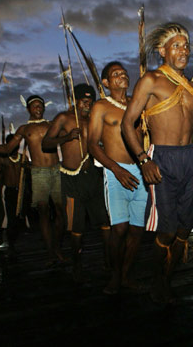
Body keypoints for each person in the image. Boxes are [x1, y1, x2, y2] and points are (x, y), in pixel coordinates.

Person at [121, 22, 193, 305]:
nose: (184, 50)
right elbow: (127, 124)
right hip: (161, 159)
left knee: (183, 229)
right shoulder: (151, 80)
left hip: (188, 159)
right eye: (177, 45)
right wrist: (143, 160)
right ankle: (157, 281)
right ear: (162, 50)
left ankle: (167, 280)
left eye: (186, 45)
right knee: (166, 229)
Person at [0, 95, 67, 266]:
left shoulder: (52, 125)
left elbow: (67, 137)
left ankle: (57, 246)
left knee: (60, 212)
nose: (38, 108)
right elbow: (7, 148)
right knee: (43, 211)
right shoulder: (24, 129)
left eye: (40, 106)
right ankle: (50, 252)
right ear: (28, 109)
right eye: (34, 106)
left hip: (56, 171)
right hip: (38, 173)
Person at [88, 61, 148, 294]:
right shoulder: (101, 107)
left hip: (141, 172)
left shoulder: (138, 104)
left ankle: (125, 275)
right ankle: (114, 276)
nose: (122, 75)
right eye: (116, 74)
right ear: (106, 82)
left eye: (124, 72)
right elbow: (92, 145)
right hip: (115, 172)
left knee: (137, 230)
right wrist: (116, 169)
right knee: (120, 228)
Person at [42, 84, 110, 282]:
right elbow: (45, 143)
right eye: (83, 100)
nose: (87, 104)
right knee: (75, 226)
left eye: (90, 101)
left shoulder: (95, 120)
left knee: (105, 222)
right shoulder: (64, 118)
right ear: (75, 100)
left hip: (93, 177)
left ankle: (108, 261)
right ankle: (77, 265)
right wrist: (66, 137)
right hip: (71, 179)